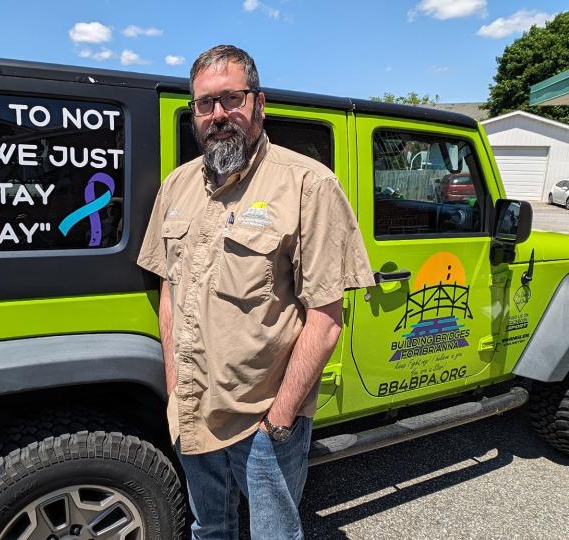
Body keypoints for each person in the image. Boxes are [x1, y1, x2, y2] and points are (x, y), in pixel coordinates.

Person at [137, 45, 375, 539]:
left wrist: (281, 418)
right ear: (194, 113)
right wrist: (175, 383)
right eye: (205, 104)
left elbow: (326, 317)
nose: (218, 115)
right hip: (192, 410)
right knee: (209, 529)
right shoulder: (176, 187)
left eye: (231, 99)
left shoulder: (308, 185)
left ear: (259, 103)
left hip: (263, 421)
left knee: (274, 534)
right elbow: (169, 289)